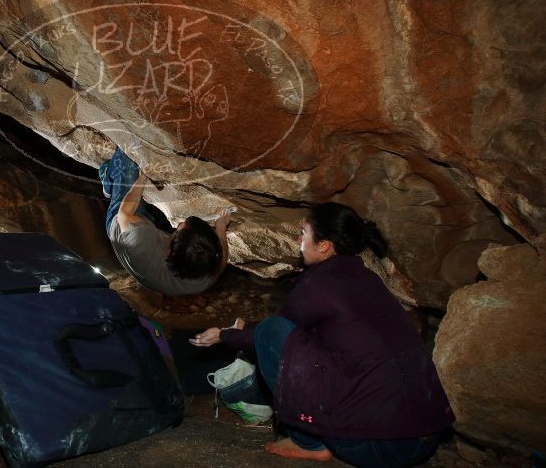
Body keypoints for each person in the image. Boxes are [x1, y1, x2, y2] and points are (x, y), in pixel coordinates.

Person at [190, 202, 454, 467]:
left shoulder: (319, 283)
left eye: (303, 233)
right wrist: (243, 327)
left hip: (377, 446)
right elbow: (300, 326)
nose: (298, 240)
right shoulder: (367, 279)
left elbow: (275, 333)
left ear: (324, 245)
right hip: (425, 435)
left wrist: (225, 336)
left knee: (270, 330)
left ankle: (308, 442)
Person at [100, 147, 229, 295]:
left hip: (120, 223)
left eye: (180, 228)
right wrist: (221, 227)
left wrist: (142, 178)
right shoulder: (207, 271)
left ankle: (107, 178)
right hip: (148, 240)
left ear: (169, 252)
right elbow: (222, 258)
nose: (181, 223)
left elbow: (124, 213)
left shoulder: (140, 242)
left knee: (128, 159)